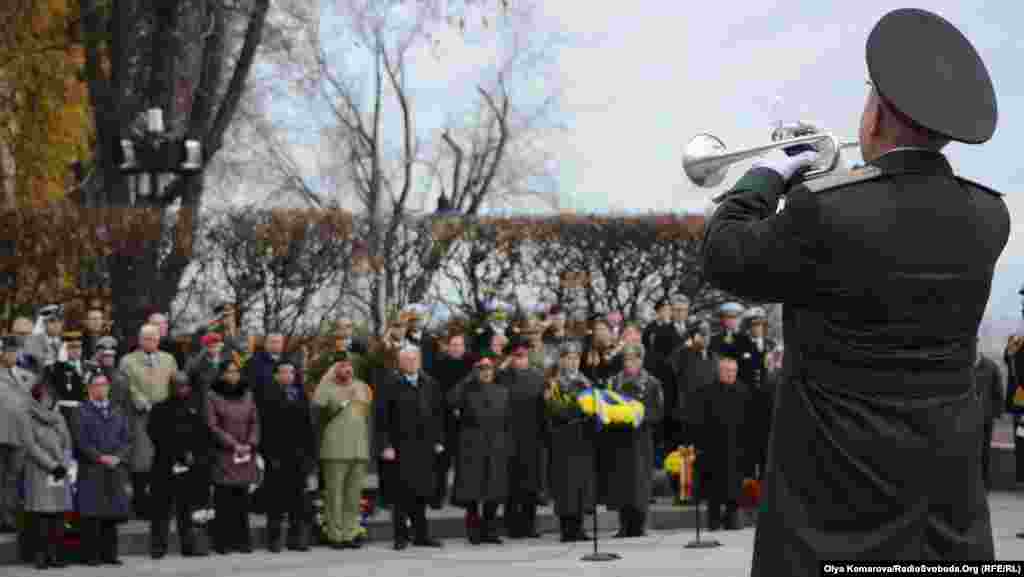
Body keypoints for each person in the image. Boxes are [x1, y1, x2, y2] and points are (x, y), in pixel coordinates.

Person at [701, 9, 1007, 572]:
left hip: (834, 512)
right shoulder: (989, 215)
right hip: (942, 516)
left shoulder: (825, 210)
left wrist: (769, 173)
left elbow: (724, 254)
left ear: (879, 111)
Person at [375, 345, 445, 550]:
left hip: (424, 447)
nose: (411, 362)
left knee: (421, 493)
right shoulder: (390, 384)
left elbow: (438, 414)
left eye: (414, 359)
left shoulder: (430, 383)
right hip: (399, 447)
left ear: (420, 360)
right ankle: (400, 537)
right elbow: (381, 418)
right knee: (400, 494)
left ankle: (421, 535)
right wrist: (385, 445)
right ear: (400, 362)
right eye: (406, 359)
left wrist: (439, 440)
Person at [448, 354, 511, 545]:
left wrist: (506, 444)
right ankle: (474, 531)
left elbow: (508, 420)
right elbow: (450, 400)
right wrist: (468, 377)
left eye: (489, 369)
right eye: (482, 370)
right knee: (472, 493)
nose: (486, 373)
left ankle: (490, 531)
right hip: (472, 445)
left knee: (494, 491)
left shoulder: (502, 391)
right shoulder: (466, 390)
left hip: (495, 445)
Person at [147, 371, 211, 558]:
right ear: (171, 387)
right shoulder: (159, 409)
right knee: (161, 510)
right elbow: (156, 435)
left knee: (186, 508)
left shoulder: (195, 409)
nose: (182, 389)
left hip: (190, 467)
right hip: (165, 465)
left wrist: (196, 455)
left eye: (184, 385)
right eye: (177, 385)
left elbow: (203, 435)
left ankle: (188, 545)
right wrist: (179, 454)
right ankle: (158, 547)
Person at [602, 343, 663, 538]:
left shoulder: (652, 383)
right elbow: (605, 407)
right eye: (626, 359)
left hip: (640, 439)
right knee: (622, 481)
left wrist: (638, 415)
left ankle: (639, 524)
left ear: (640, 360)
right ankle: (624, 524)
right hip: (619, 439)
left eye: (633, 359)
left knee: (640, 481)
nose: (629, 363)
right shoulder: (613, 383)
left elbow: (658, 412)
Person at [312, 353, 371, 549]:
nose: (347, 369)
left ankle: (350, 533)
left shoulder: (362, 387)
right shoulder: (326, 388)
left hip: (358, 448)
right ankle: (335, 535)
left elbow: (367, 415)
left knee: (353, 495)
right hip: (335, 448)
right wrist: (327, 381)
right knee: (334, 494)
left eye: (349, 366)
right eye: (342, 366)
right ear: (334, 369)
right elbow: (317, 410)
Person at [119, 323, 178, 517]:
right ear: (139, 339)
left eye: (153, 338)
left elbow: (175, 384)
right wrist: (140, 401)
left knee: (163, 460)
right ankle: (140, 505)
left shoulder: (168, 359)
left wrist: (170, 406)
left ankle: (162, 504)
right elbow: (127, 385)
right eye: (146, 338)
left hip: (164, 417)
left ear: (158, 339)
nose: (150, 342)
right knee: (141, 461)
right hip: (140, 416)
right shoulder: (128, 361)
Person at [74, 373, 133, 566]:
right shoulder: (81, 411)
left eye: (105, 385)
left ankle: (110, 554)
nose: (102, 388)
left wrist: (119, 456)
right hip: (92, 467)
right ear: (90, 388)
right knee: (92, 514)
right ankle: (91, 555)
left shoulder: (117, 409)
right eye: (97, 385)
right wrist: (100, 457)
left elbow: (127, 438)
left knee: (112, 513)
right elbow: (81, 441)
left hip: (115, 467)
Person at [260, 360, 317, 552]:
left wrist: (310, 454)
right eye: (283, 372)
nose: (288, 376)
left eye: (291, 373)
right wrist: (268, 454)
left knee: (298, 499)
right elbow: (265, 428)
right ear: (276, 375)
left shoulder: (300, 394)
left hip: (299, 455)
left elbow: (308, 425)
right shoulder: (267, 394)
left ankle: (296, 539)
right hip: (276, 455)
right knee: (276, 499)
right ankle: (274, 539)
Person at [206, 359, 260, 554]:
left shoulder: (247, 394)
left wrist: (250, 443)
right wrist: (233, 444)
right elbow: (212, 426)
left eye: (236, 372)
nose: (233, 375)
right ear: (221, 374)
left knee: (242, 499)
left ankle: (243, 541)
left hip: (245, 453)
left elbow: (255, 422)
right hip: (224, 453)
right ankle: (223, 542)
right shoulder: (212, 395)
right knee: (224, 500)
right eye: (229, 372)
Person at [544, 341, 596, 542]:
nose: (573, 362)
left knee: (582, 483)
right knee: (566, 485)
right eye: (568, 358)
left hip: (583, 438)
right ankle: (567, 528)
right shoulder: (553, 383)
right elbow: (554, 409)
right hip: (563, 438)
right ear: (562, 360)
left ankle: (580, 527)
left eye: (576, 358)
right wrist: (578, 409)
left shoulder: (587, 382)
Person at [691, 357, 749, 531]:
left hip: (736, 449)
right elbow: (699, 421)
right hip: (713, 449)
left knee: (734, 489)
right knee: (714, 490)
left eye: (733, 371)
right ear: (719, 371)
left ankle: (733, 522)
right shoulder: (706, 392)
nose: (730, 374)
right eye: (726, 371)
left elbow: (750, 423)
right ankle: (713, 522)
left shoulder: (744, 392)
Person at [22, 381, 74, 569]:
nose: (49, 400)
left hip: (60, 472)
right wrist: (53, 466)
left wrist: (65, 463)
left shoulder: (59, 417)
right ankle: (41, 555)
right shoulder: (27, 417)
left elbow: (68, 442)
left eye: (51, 397)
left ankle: (56, 554)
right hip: (40, 471)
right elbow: (31, 446)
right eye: (45, 397)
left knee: (58, 517)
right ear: (37, 398)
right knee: (42, 517)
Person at [499, 337, 547, 539]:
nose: (521, 360)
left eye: (524, 356)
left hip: (532, 437)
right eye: (517, 356)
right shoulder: (502, 377)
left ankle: (529, 525)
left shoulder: (538, 377)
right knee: (511, 485)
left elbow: (542, 409)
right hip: (508, 437)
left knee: (530, 485)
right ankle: (512, 526)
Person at [0, 336, 34, 535]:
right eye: (10, 351)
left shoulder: (24, 374)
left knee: (13, 478)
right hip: (2, 434)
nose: (14, 355)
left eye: (16, 351)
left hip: (20, 435)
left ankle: (9, 517)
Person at [973, 344, 1003, 491]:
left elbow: (998, 391)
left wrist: (996, 413)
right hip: (966, 418)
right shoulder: (964, 367)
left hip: (985, 418)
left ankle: (984, 484)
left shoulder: (991, 367)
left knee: (984, 451)